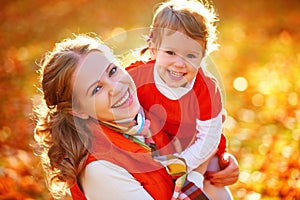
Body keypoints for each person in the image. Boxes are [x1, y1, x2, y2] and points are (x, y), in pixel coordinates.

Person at [33, 34, 210, 200]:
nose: (116, 88)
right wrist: (199, 171)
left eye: (112, 71)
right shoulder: (100, 170)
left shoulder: (141, 117)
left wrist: (219, 164)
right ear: (78, 110)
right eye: (96, 89)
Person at [126, 0, 239, 199]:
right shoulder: (136, 77)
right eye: (170, 52)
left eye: (191, 55)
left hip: (200, 149)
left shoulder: (206, 89)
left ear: (203, 54)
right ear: (153, 47)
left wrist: (184, 167)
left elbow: (208, 139)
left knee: (214, 185)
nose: (180, 64)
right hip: (159, 148)